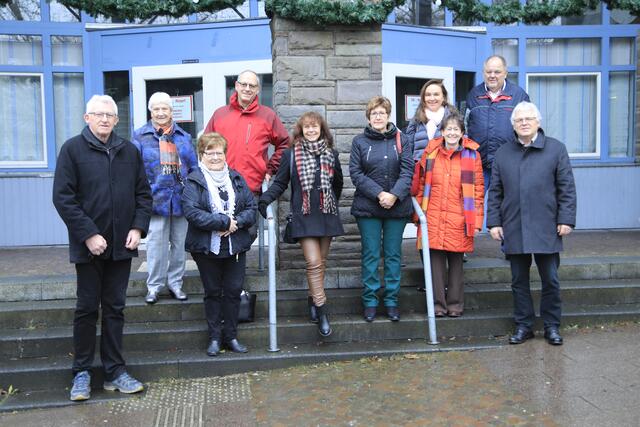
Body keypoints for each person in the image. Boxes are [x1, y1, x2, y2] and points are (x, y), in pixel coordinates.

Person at [52, 94, 152, 401]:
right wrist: (88, 235)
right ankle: (81, 372)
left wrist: (137, 228)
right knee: (86, 309)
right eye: (98, 114)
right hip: (89, 247)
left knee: (115, 309)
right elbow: (63, 198)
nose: (105, 119)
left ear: (117, 119)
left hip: (121, 245)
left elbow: (143, 194)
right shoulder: (72, 150)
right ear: (87, 118)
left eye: (110, 115)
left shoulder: (128, 151)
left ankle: (114, 371)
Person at [487, 101, 577, 346]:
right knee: (518, 281)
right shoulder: (503, 152)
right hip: (513, 225)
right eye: (519, 120)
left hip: (547, 225)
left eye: (528, 119)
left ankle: (551, 326)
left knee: (551, 279)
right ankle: (524, 325)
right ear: (513, 125)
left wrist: (566, 219)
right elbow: (495, 191)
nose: (524, 123)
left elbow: (566, 188)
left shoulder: (556, 149)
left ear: (538, 122)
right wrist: (494, 222)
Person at [258, 112, 344, 337]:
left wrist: (328, 203)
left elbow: (338, 185)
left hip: (326, 215)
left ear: (322, 129)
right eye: (307, 127)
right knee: (314, 262)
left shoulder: (331, 154)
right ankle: (323, 311)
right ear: (301, 131)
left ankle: (312, 300)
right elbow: (280, 183)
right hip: (304, 217)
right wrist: (265, 199)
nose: (311, 131)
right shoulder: (291, 155)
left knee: (321, 263)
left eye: (315, 127)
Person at [182, 132, 257, 356]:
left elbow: (251, 209)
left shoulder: (236, 178)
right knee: (213, 292)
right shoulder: (193, 180)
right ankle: (214, 338)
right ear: (201, 155)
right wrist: (222, 221)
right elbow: (192, 212)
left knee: (233, 291)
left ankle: (231, 337)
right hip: (206, 247)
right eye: (210, 152)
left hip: (235, 246)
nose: (215, 157)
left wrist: (235, 223)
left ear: (225, 154)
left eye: (219, 152)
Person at [349, 96, 413, 322]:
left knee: (393, 255)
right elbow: (356, 174)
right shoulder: (359, 142)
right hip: (368, 208)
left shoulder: (403, 140)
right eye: (374, 113)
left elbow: (408, 171)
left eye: (382, 113)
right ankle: (370, 300)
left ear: (388, 115)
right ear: (369, 117)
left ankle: (392, 300)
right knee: (371, 254)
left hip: (397, 208)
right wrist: (380, 194)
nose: (378, 117)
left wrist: (394, 194)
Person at [413, 114, 484, 317]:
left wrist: (477, 222)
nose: (452, 133)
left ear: (462, 133)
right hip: (433, 215)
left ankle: (454, 305)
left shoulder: (472, 155)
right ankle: (437, 305)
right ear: (442, 132)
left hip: (460, 217)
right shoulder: (431, 153)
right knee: (435, 264)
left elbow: (478, 190)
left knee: (456, 264)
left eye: (456, 129)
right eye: (448, 129)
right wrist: (418, 214)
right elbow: (420, 184)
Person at [132, 92, 198, 304]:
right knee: (155, 247)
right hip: (155, 201)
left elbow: (194, 168)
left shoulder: (184, 137)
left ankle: (176, 284)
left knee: (179, 247)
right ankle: (154, 286)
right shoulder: (140, 136)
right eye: (156, 109)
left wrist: (192, 195)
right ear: (150, 112)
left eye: (165, 108)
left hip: (180, 201)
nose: (161, 113)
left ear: (171, 111)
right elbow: (133, 171)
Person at [203, 70, 289, 194]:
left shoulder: (268, 115)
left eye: (252, 86)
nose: (247, 89)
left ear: (257, 89)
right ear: (237, 86)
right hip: (220, 189)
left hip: (252, 190)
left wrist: (270, 169)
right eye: (244, 84)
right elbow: (205, 147)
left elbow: (284, 144)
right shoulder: (219, 114)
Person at [465, 55, 530, 189]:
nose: (492, 75)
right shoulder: (473, 94)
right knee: (477, 205)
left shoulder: (518, 95)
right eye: (489, 72)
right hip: (478, 164)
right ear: (483, 73)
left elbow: (529, 129)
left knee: (506, 206)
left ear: (505, 73)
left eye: (497, 72)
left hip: (509, 165)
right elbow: (465, 127)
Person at [405, 79, 456, 162]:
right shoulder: (416, 120)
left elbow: (461, 149)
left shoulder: (454, 118)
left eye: (436, 94)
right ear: (423, 98)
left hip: (446, 170)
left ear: (443, 97)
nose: (432, 98)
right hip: (421, 170)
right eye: (428, 95)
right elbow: (408, 151)